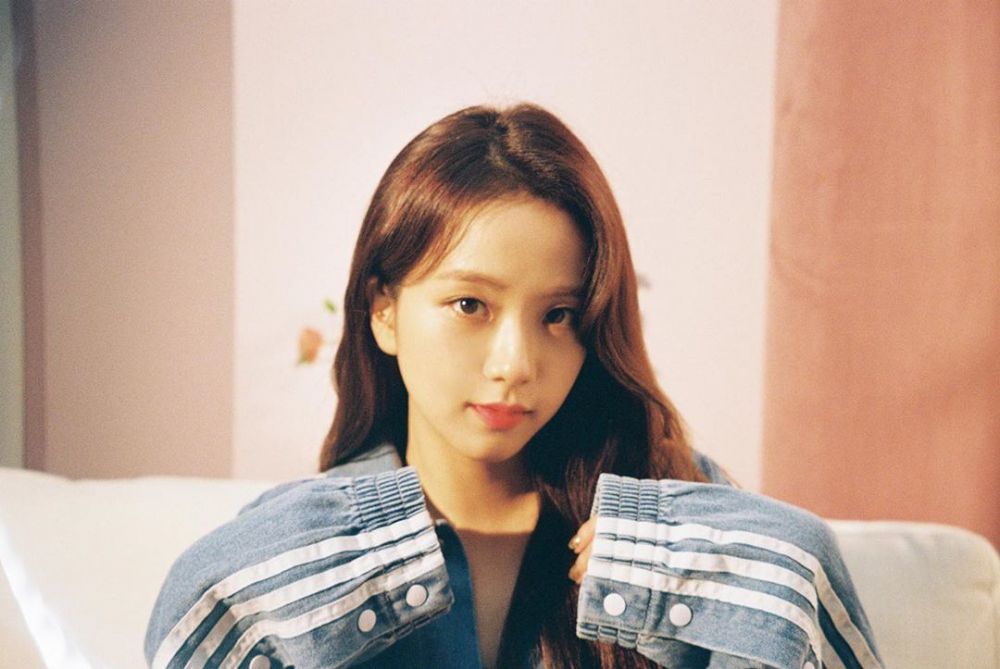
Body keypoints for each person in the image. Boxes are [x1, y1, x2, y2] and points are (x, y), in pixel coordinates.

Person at [144, 103, 883, 669]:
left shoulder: (689, 524)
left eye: (559, 315)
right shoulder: (292, 553)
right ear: (384, 311)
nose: (516, 363)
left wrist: (774, 565)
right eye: (471, 305)